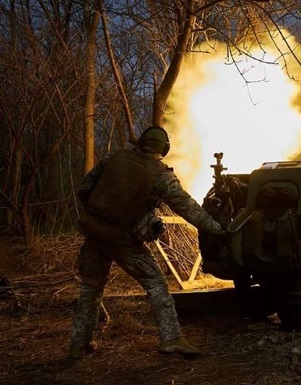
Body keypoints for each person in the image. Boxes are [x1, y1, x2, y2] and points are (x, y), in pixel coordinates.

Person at [69, 126, 224, 360]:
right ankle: (171, 338)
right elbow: (187, 207)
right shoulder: (160, 175)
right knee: (156, 283)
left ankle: (79, 345)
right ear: (165, 149)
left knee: (91, 288)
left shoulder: (114, 157)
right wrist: (217, 229)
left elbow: (84, 189)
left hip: (94, 234)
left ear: (141, 142)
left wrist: (102, 214)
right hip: (123, 241)